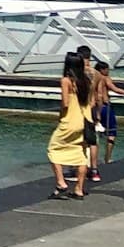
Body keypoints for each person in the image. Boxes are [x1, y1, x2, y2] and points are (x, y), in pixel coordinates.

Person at [48, 51, 93, 199]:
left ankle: (61, 183)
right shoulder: (86, 81)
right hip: (83, 121)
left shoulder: (66, 81)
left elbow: (65, 104)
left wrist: (60, 114)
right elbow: (90, 103)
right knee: (81, 155)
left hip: (69, 121)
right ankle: (79, 189)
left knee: (53, 149)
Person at [90, 60, 124, 179]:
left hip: (94, 108)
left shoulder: (92, 78)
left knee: (94, 136)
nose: (109, 71)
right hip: (105, 107)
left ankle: (92, 162)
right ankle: (107, 158)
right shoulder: (104, 78)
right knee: (112, 133)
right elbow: (115, 89)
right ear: (103, 70)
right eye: (107, 69)